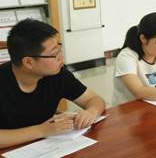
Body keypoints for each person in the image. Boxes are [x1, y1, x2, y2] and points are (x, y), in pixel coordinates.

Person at [0, 19, 105, 149]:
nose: (61, 58)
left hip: (46, 148)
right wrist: (41, 130)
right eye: (54, 54)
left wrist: (91, 112)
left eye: (59, 49)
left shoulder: (57, 74)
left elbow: (93, 99)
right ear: (28, 62)